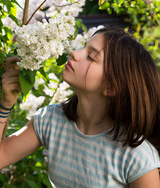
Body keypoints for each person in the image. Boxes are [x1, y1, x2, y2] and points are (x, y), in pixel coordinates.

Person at [0, 28, 160, 188]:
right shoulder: (51, 119)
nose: (75, 54)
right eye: (83, 47)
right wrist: (5, 105)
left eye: (91, 57)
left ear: (111, 87)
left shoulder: (136, 156)